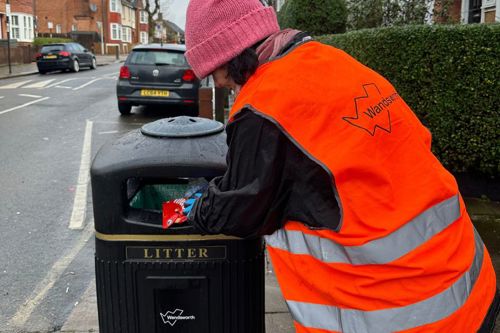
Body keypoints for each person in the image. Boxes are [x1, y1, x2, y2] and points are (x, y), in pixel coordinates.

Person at [179, 0, 500, 331]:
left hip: (406, 311)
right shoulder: (331, 60)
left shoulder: (264, 106)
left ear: (231, 54)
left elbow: (241, 208)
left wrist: (199, 206)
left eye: (214, 70)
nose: (217, 83)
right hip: (467, 280)